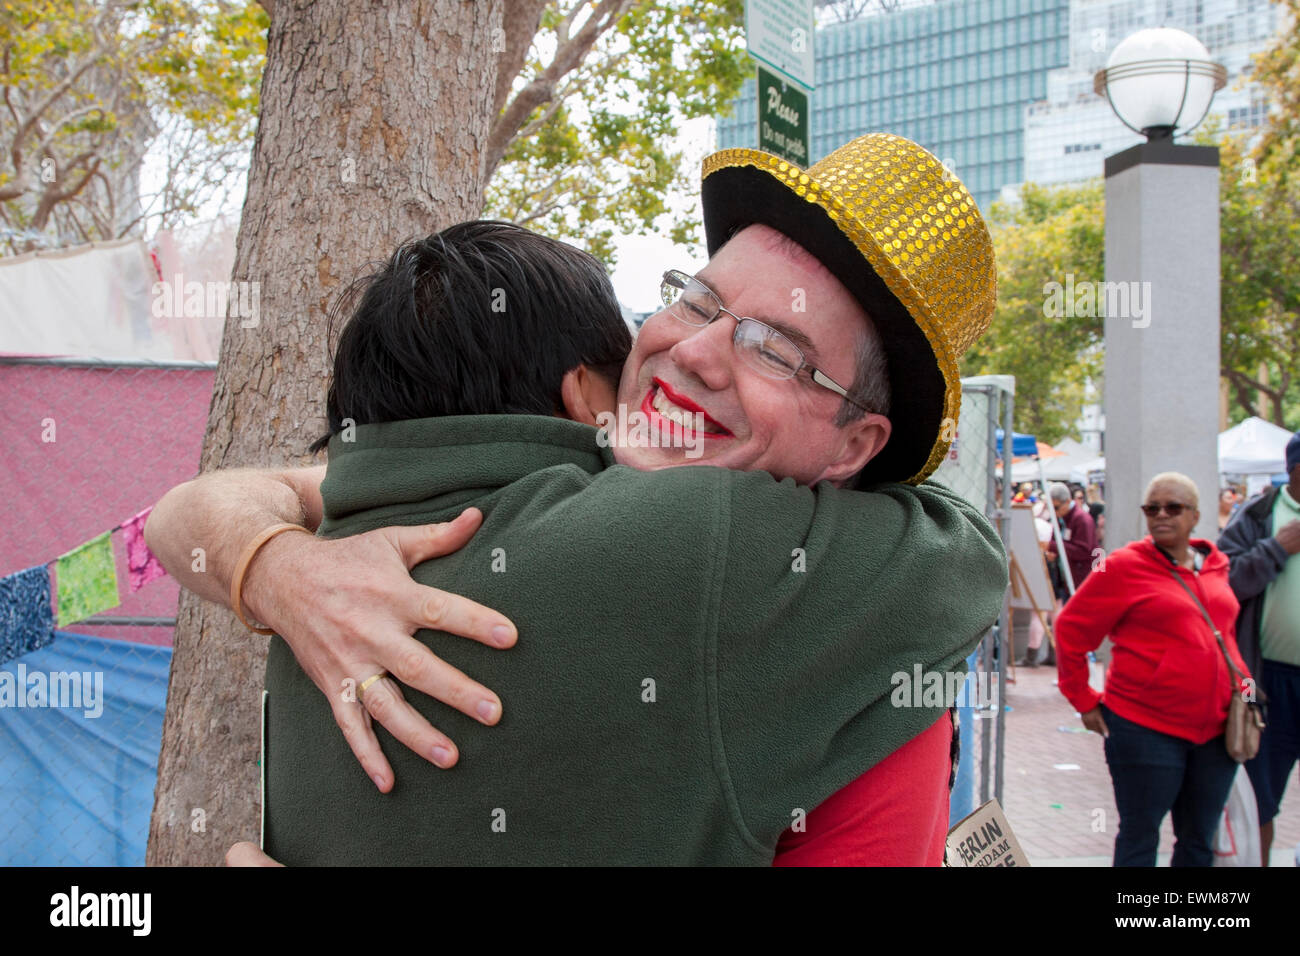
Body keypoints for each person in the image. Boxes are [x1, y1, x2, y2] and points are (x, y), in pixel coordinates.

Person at [147, 133, 1006, 865]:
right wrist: (281, 567)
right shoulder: (528, 516)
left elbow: (967, 559)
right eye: (697, 300)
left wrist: (278, 558)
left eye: (776, 350)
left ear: (857, 445)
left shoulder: (822, 610)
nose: (698, 351)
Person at [1055, 472, 1253, 867]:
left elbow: (1225, 636)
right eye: (1152, 508)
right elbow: (1070, 630)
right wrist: (1084, 700)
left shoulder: (1216, 565)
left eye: (1174, 507)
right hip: (1144, 729)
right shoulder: (1123, 566)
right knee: (1140, 836)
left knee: (1198, 840)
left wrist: (1246, 693)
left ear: (1195, 515)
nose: (1161, 515)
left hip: (1216, 732)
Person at [1218, 431, 1300, 865]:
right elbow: (1223, 582)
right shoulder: (1258, 515)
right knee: (1261, 794)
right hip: (1265, 683)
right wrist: (1276, 549)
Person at [1046, 480, 1099, 599]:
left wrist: (1053, 547)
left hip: (1081, 582)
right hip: (1067, 581)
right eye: (1051, 508)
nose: (1054, 511)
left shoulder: (1082, 520)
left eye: (1056, 507)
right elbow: (1055, 542)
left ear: (1068, 502)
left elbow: (1083, 551)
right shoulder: (1060, 518)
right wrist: (1052, 552)